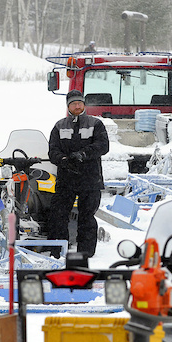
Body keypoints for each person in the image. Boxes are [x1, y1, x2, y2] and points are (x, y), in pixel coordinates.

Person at [47, 90, 109, 257]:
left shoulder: (96, 124)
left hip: (90, 180)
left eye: (79, 103)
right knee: (58, 214)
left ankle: (86, 253)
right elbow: (52, 151)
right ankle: (57, 250)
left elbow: (103, 146)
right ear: (68, 106)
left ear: (84, 105)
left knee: (87, 216)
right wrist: (64, 160)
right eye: (73, 103)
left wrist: (83, 154)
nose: (77, 106)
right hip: (66, 180)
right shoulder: (59, 126)